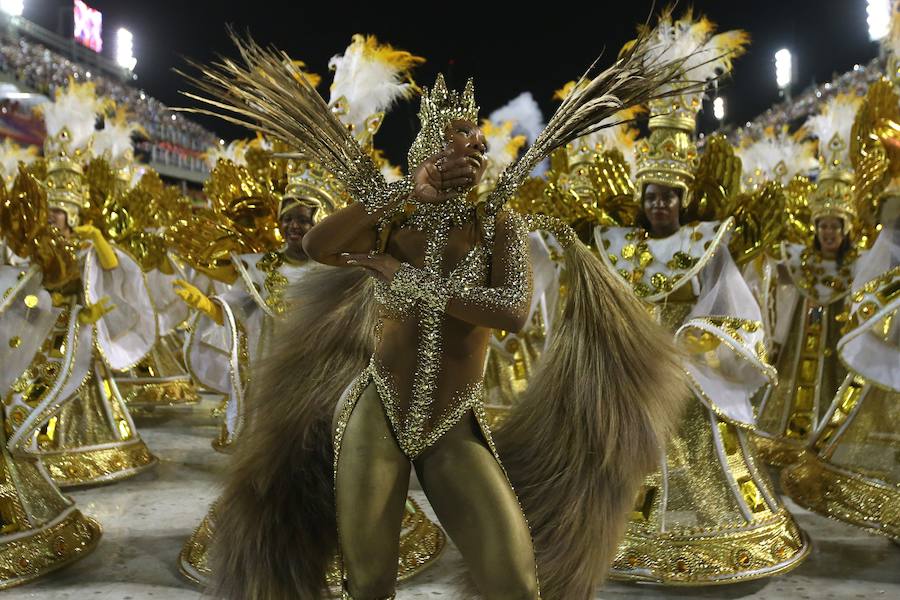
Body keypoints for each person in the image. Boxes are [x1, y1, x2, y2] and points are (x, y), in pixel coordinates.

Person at [184, 30, 694, 599]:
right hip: (377, 409)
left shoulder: (500, 229)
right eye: (461, 145)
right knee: (370, 580)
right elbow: (318, 248)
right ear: (429, 149)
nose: (474, 156)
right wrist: (402, 194)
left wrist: (411, 283)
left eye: (480, 149)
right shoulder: (394, 217)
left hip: (452, 422)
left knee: (515, 579)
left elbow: (513, 312)